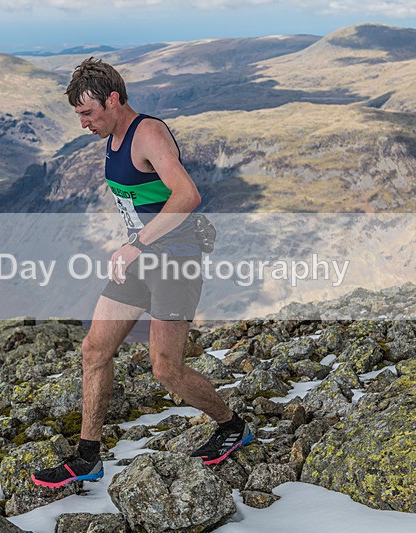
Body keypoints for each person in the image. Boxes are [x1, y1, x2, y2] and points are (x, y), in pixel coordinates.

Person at [31, 58, 252, 489]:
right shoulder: (111, 137)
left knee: (166, 369)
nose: (83, 123)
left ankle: (231, 425)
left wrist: (137, 243)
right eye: (78, 115)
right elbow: (139, 200)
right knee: (95, 350)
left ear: (113, 100)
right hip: (142, 258)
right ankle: (88, 456)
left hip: (174, 259)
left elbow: (188, 194)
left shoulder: (147, 133)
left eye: (88, 113)